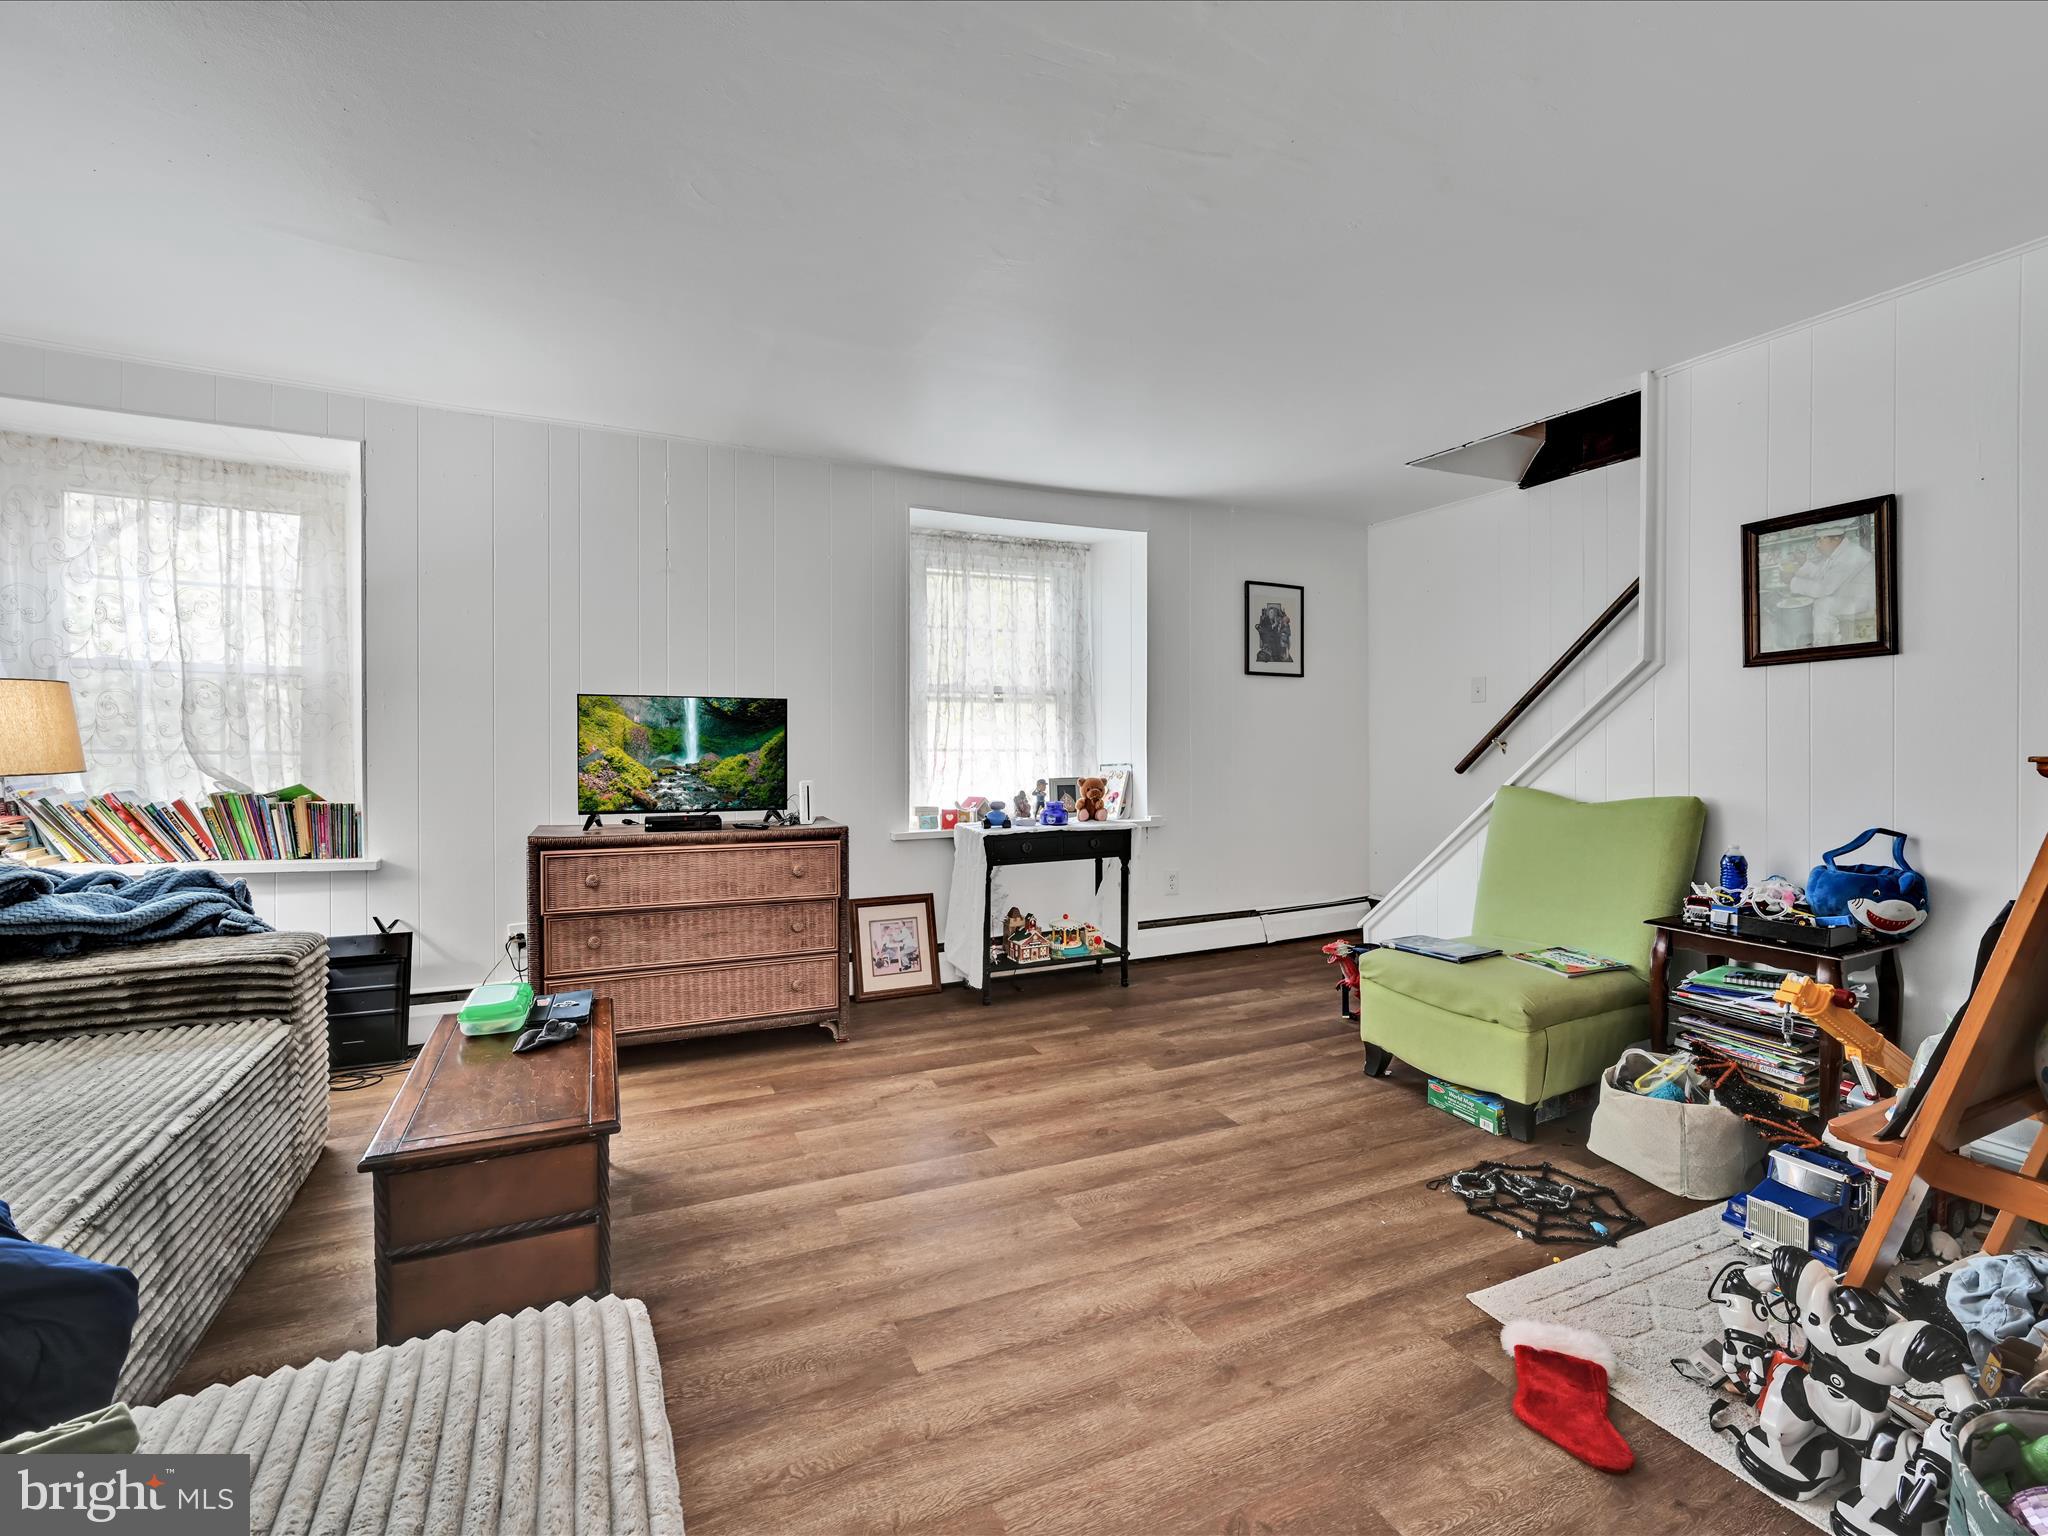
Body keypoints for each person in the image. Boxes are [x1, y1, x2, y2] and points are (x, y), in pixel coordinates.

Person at [1779, 521, 1876, 646]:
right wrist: (1804, 564)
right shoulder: (1840, 553)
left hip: (1863, 602)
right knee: (1821, 602)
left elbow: (1824, 588)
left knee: (1823, 604)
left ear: (1835, 539)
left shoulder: (1852, 555)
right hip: (1848, 598)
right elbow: (1821, 575)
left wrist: (1791, 581)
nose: (1817, 545)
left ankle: (1823, 646)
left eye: (1820, 540)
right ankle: (1827, 643)